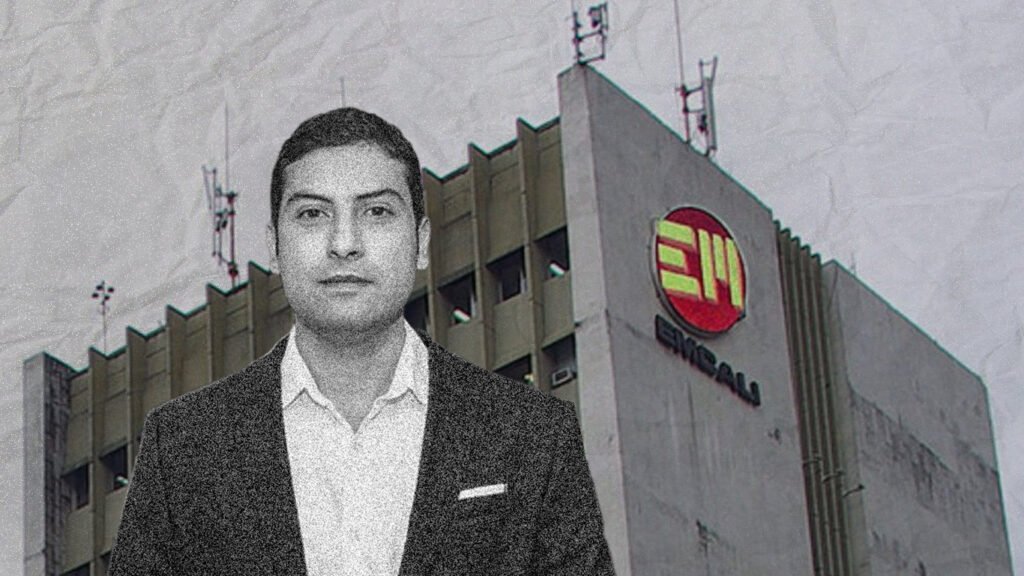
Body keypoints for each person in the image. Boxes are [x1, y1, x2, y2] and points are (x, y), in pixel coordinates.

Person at [109, 107, 614, 575]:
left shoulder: (533, 435)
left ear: (421, 243)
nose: (344, 244)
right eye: (313, 214)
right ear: (275, 247)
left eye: (376, 212)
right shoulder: (183, 447)